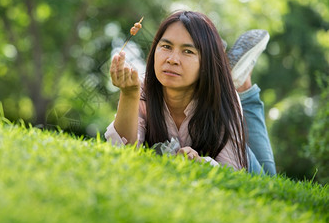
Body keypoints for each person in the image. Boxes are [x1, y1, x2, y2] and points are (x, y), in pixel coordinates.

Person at [105, 10, 276, 175]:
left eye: (188, 51)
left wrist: (202, 163)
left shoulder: (223, 100)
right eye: (166, 46)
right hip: (220, 93)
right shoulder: (141, 89)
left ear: (206, 63)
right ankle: (237, 79)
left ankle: (244, 87)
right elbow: (122, 151)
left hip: (242, 154)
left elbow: (231, 171)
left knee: (269, 176)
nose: (172, 59)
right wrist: (129, 94)